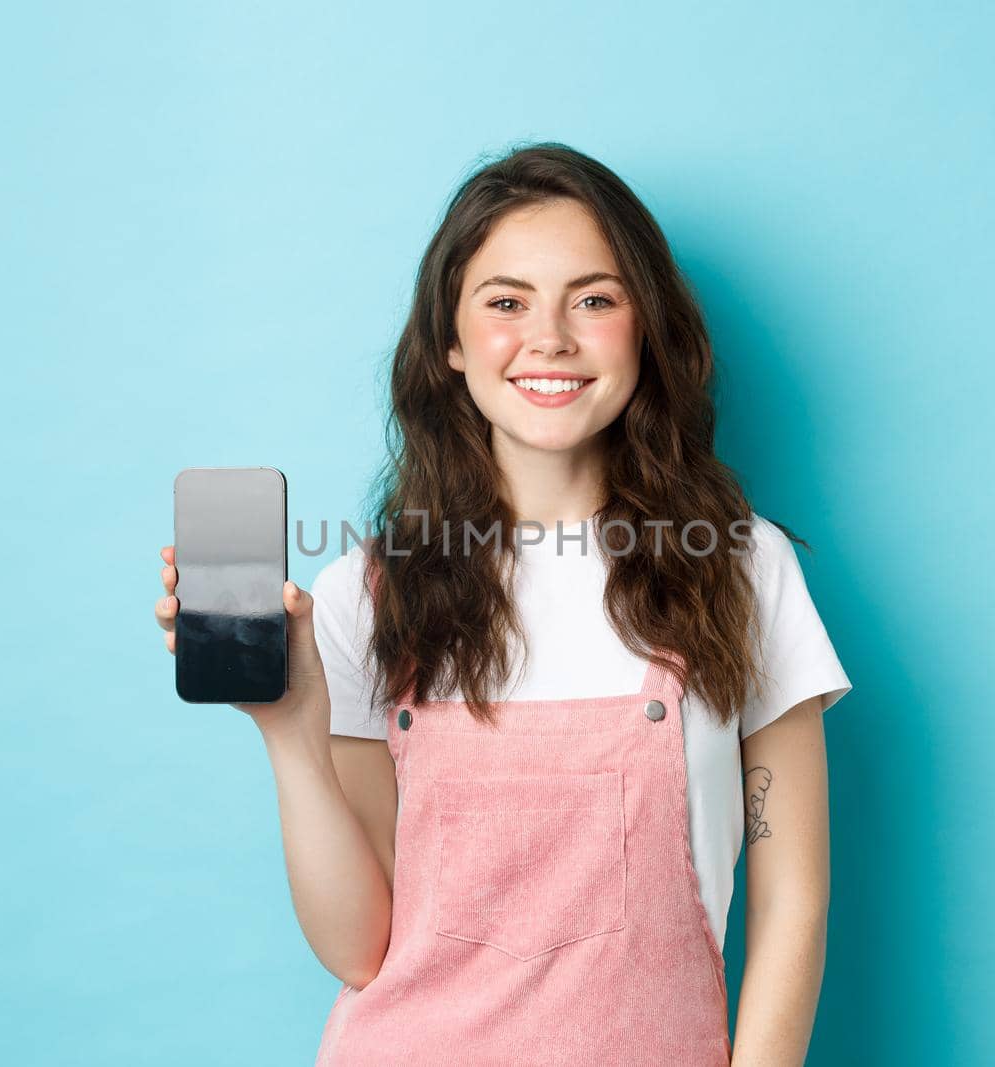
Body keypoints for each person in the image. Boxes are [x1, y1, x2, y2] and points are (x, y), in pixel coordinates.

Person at [154, 142, 852, 1066]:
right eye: (506, 302)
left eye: (594, 299)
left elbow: (792, 902)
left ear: (646, 329)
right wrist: (286, 728)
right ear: (450, 340)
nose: (551, 337)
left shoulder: (739, 568)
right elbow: (360, 947)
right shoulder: (365, 593)